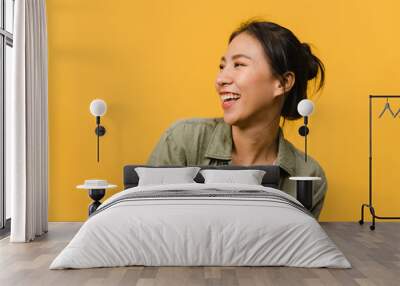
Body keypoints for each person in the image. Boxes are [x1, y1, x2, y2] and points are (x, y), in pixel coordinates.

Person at [146, 19, 327, 219]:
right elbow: (146, 228)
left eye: (239, 64)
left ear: (282, 82)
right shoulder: (182, 142)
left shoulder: (309, 176)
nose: (220, 79)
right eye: (222, 66)